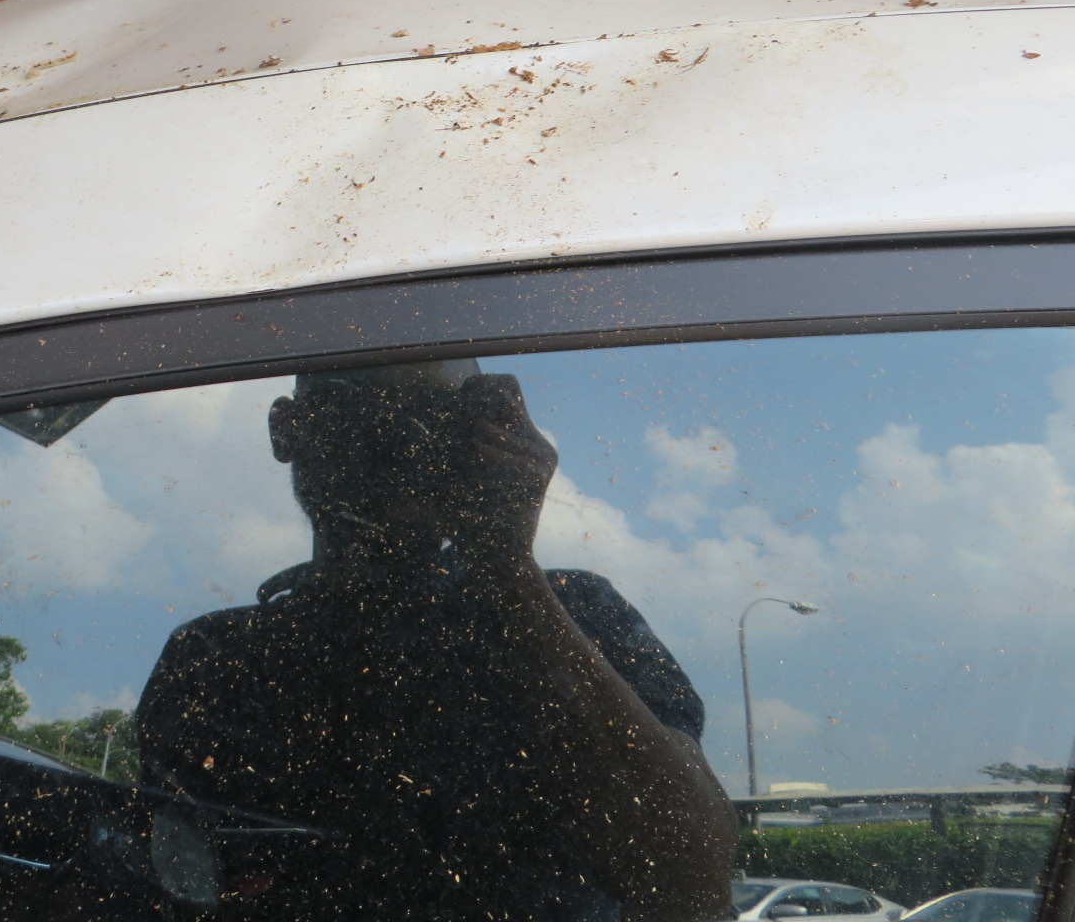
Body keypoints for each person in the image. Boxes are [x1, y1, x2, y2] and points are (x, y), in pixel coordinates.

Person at [137, 363, 736, 921]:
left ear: (490, 442)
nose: (399, 445)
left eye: (434, 419)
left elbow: (693, 882)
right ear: (287, 429)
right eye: (360, 414)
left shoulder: (577, 612)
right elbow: (178, 882)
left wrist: (506, 566)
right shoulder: (214, 657)